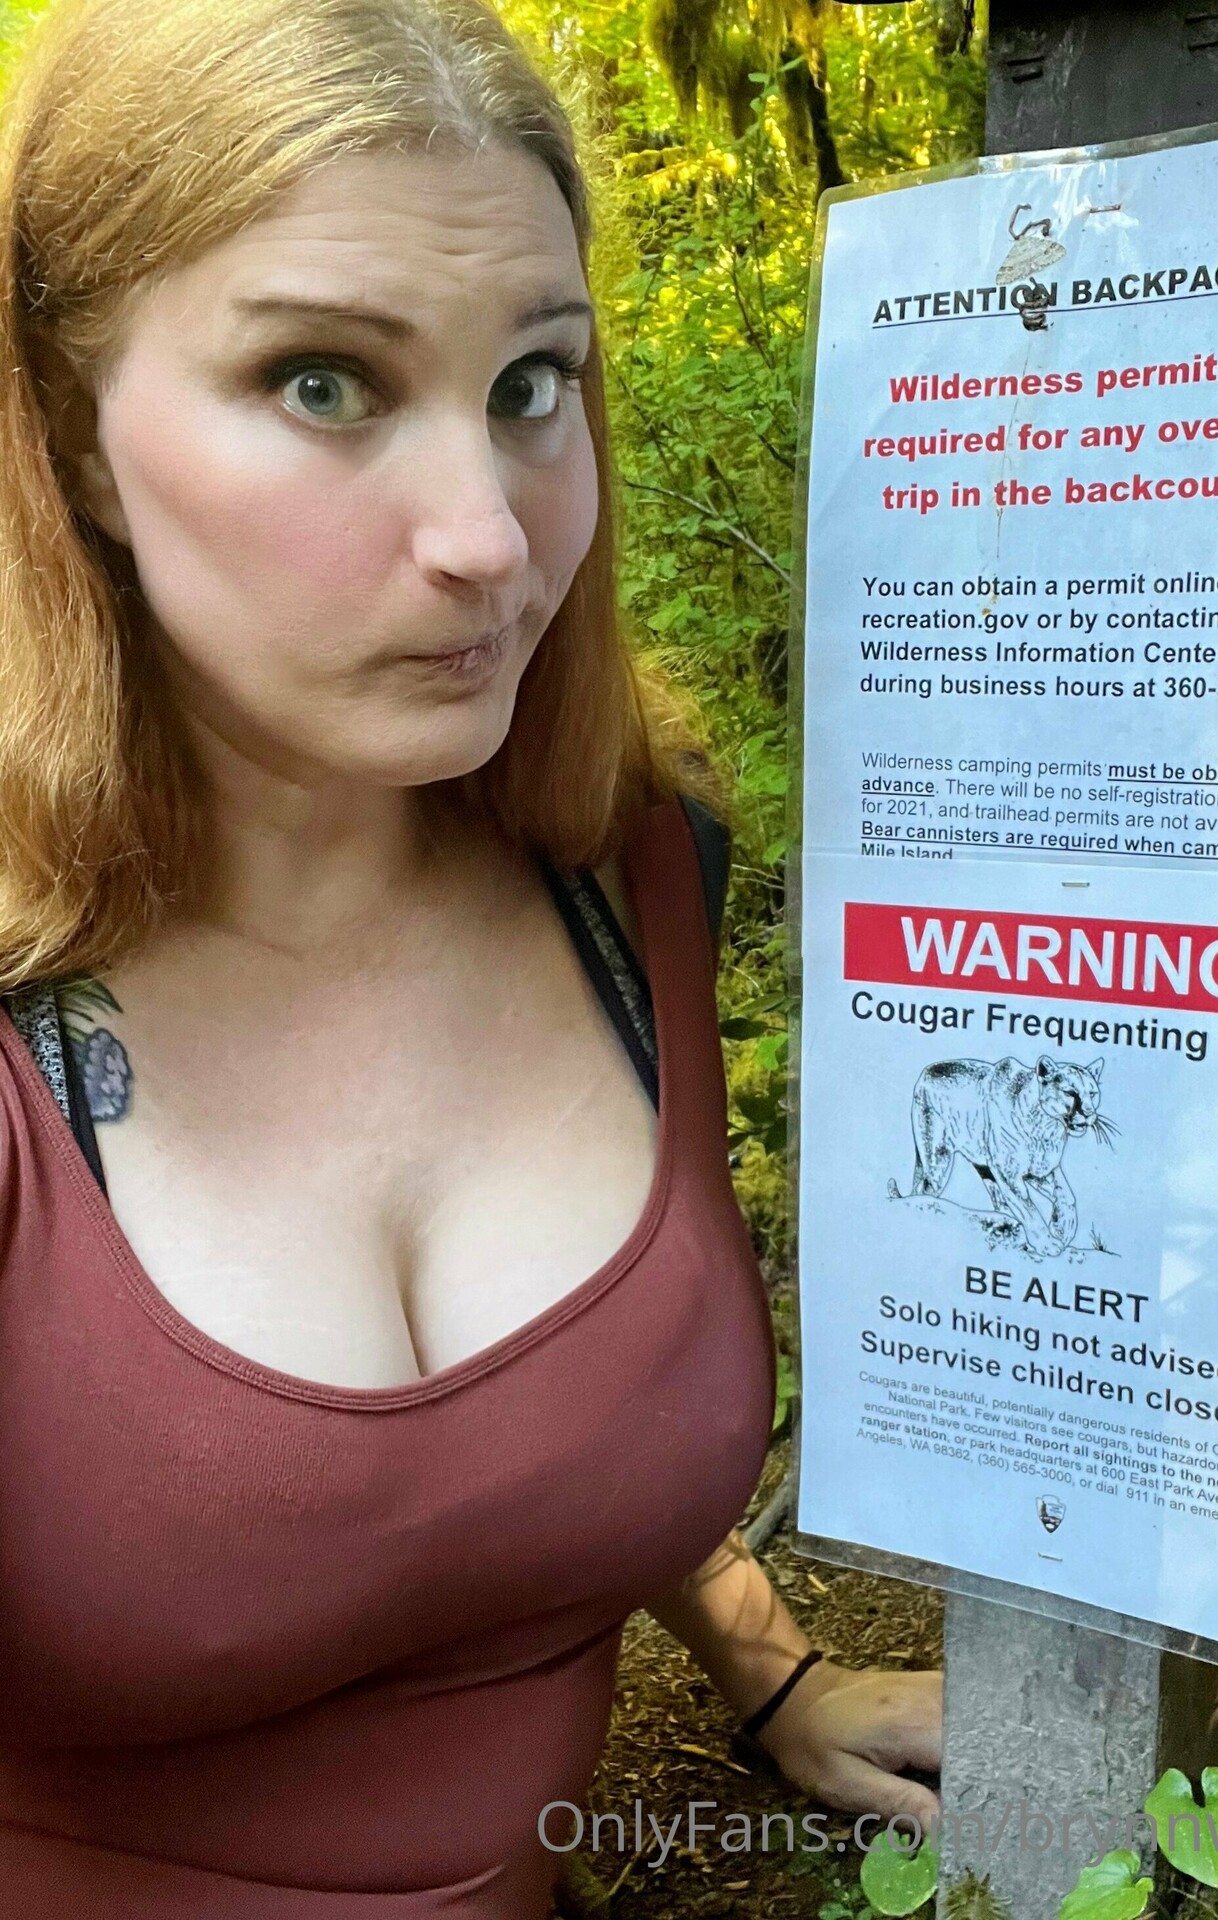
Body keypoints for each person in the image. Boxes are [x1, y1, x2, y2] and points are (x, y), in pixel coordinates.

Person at [0, 0, 942, 1910]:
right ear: (75, 435)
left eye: (532, 382)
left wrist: (769, 1668)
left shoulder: (629, 876)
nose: (490, 538)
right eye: (324, 384)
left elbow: (554, 1409)